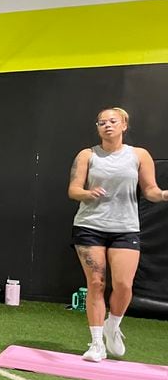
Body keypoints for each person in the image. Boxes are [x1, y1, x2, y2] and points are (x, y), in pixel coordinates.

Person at [68, 107, 167, 362]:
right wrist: (87, 194)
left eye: (113, 121)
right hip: (90, 227)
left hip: (125, 229)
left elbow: (152, 191)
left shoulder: (138, 155)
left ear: (124, 125)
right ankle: (96, 343)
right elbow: (74, 190)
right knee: (96, 283)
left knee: (123, 285)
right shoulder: (87, 155)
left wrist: (165, 195)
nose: (107, 125)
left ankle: (113, 324)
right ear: (98, 128)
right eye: (102, 122)